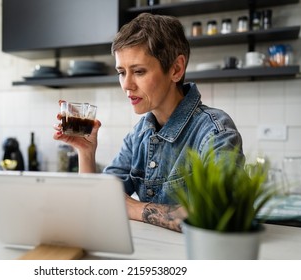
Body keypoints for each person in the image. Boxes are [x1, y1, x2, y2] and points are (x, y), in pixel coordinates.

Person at [53, 13, 245, 232]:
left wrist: (134, 208)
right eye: (121, 72)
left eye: (139, 71)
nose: (126, 85)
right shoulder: (140, 135)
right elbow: (95, 204)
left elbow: (223, 216)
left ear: (176, 69)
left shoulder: (214, 131)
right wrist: (86, 153)